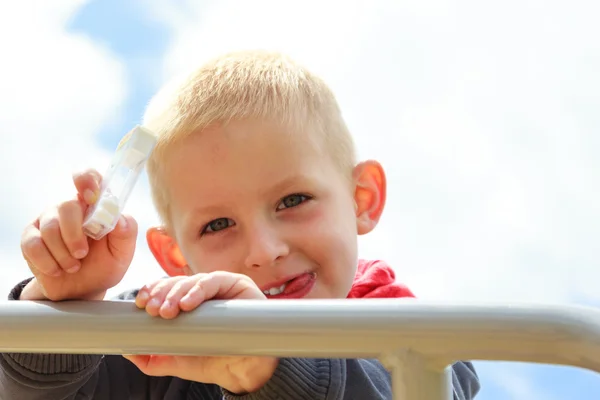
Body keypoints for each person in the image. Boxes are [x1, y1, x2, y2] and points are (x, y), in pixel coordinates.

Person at [0, 50, 480, 399]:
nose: (263, 250)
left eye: (293, 200)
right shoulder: (151, 337)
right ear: (175, 257)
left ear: (362, 199)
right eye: (217, 225)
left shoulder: (415, 340)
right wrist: (60, 312)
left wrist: (268, 366)